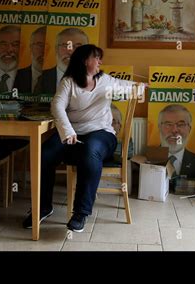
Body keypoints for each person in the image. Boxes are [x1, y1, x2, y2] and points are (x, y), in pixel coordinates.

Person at [22, 44, 143, 232]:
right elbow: (57, 107)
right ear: (84, 60)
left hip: (102, 134)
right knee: (44, 154)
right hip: (72, 133)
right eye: (97, 57)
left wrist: (140, 87)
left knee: (90, 150)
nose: (100, 62)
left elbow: (128, 87)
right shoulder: (68, 82)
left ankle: (81, 213)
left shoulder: (105, 80)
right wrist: (68, 131)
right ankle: (43, 207)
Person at [40, 28, 89, 94]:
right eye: (65, 46)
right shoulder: (42, 78)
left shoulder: (97, 81)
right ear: (56, 49)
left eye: (77, 47)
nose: (70, 52)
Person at [158, 104, 195, 179]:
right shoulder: (150, 158)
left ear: (189, 129)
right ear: (159, 127)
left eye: (181, 124)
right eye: (168, 124)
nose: (174, 130)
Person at [15, 26, 46, 93]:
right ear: (31, 47)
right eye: (39, 45)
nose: (43, 51)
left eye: (47, 46)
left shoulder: (64, 78)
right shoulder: (16, 75)